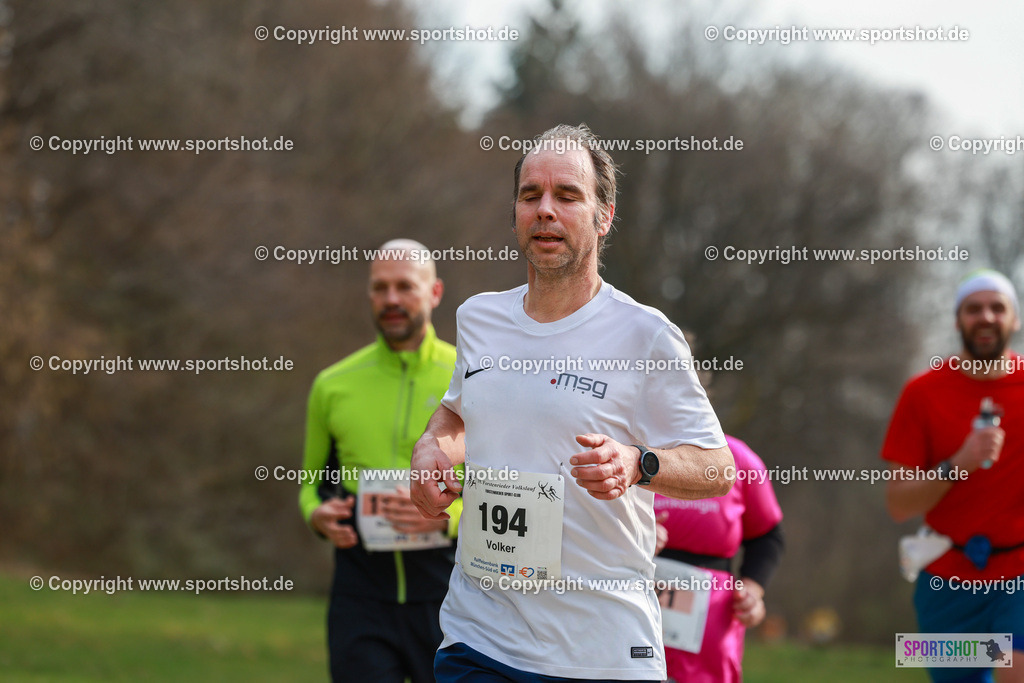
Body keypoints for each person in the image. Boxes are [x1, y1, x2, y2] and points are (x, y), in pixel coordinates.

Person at [410, 123, 735, 682]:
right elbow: (458, 413)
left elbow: (718, 467)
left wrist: (639, 463)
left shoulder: (646, 336)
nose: (545, 210)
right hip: (479, 637)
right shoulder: (479, 318)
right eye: (530, 194)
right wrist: (429, 447)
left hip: (600, 649)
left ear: (603, 216)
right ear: (513, 212)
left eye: (567, 195)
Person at [299, 239, 462, 683]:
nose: (391, 299)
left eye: (405, 286)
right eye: (380, 288)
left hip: (451, 598)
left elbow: (504, 479)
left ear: (434, 293)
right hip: (360, 600)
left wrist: (447, 517)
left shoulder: (470, 376)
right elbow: (310, 483)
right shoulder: (332, 385)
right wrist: (317, 515)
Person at [882, 269, 1024, 683]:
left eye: (998, 308)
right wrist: (956, 465)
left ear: (1014, 320)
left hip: (1019, 572)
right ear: (957, 320)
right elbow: (898, 503)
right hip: (945, 581)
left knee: (1014, 669)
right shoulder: (922, 393)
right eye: (973, 308)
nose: (987, 316)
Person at [654, 433, 784, 683]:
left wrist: (752, 592)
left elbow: (768, 536)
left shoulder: (737, 457)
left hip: (709, 633)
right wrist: (637, 535)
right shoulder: (624, 449)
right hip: (627, 614)